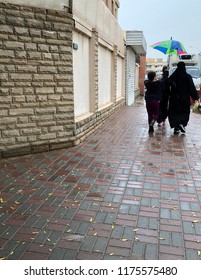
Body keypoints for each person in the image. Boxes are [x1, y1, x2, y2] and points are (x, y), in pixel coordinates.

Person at [167, 61, 199, 134]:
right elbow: (192, 88)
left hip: (174, 98)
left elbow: (167, 84)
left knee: (174, 112)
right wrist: (195, 97)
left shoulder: (173, 76)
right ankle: (182, 124)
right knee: (184, 112)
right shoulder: (187, 77)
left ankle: (176, 127)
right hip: (184, 98)